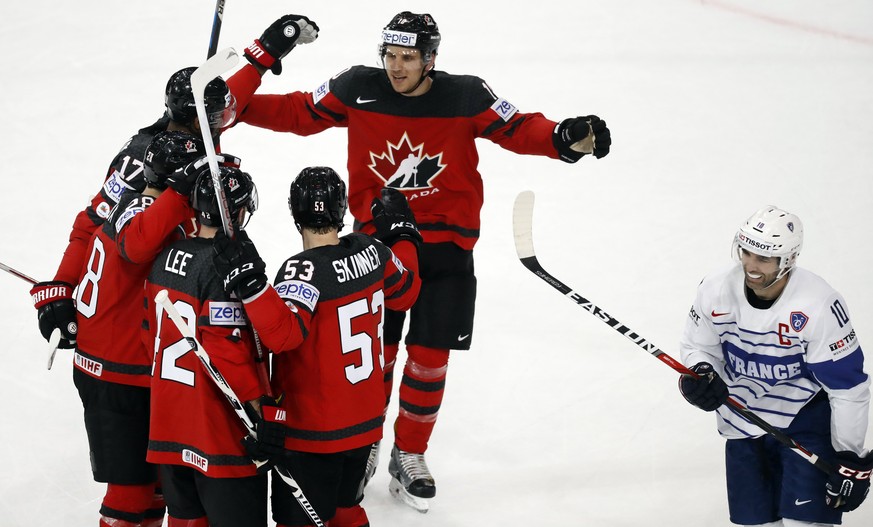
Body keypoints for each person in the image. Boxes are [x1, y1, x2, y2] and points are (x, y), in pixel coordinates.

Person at [224, 11, 612, 510]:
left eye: (408, 57)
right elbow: (298, 112)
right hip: (374, 251)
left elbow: (518, 128)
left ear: (431, 59)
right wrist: (234, 108)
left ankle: (409, 454)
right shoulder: (356, 86)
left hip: (447, 250)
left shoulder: (466, 94)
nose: (396, 67)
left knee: (430, 361)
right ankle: (362, 445)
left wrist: (564, 137)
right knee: (373, 360)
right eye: (390, 55)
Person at [210, 166, 421, 526]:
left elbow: (283, 335)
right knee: (347, 511)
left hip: (314, 435)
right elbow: (407, 293)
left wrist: (252, 288)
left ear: (295, 213)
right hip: (365, 426)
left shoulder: (300, 271)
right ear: (341, 211)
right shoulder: (373, 251)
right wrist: (405, 236)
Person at [43, 131, 205, 527]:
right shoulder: (146, 215)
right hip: (115, 374)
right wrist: (181, 193)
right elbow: (137, 245)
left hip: (128, 368)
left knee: (155, 492)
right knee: (129, 495)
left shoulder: (134, 204)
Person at [678, 206, 872, 526]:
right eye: (747, 253)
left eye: (764, 259)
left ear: (788, 260)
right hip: (742, 420)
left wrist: (849, 457)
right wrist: (701, 372)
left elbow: (848, 386)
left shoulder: (818, 304)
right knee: (755, 523)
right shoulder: (715, 288)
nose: (751, 266)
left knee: (805, 523)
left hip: (806, 421)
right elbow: (698, 346)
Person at [29, 65, 235, 352]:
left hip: (177, 300)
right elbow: (92, 222)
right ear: (198, 120)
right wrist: (62, 286)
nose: (223, 123)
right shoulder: (141, 160)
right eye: (216, 117)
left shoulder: (195, 143)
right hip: (136, 322)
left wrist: (265, 53)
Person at [143, 159, 277, 527]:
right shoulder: (226, 267)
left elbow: (146, 331)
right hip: (218, 433)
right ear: (238, 211)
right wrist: (260, 409)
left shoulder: (164, 256)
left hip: (169, 428)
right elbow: (225, 352)